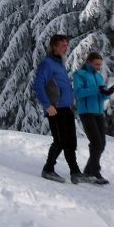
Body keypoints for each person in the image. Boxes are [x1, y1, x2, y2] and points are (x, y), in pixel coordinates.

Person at [33, 34, 92, 183]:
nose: (66, 48)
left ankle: (75, 172)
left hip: (66, 107)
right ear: (54, 46)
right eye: (62, 45)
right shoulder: (47, 64)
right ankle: (48, 169)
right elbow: (38, 86)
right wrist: (47, 106)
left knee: (71, 141)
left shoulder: (59, 64)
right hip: (55, 108)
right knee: (59, 141)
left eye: (67, 45)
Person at [73, 52, 114, 185]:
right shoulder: (80, 75)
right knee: (96, 143)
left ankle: (89, 171)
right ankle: (95, 172)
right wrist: (97, 89)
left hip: (98, 112)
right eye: (96, 64)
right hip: (86, 113)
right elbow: (78, 93)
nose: (99, 67)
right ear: (89, 62)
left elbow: (100, 94)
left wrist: (106, 94)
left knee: (101, 143)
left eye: (100, 65)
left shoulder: (98, 76)